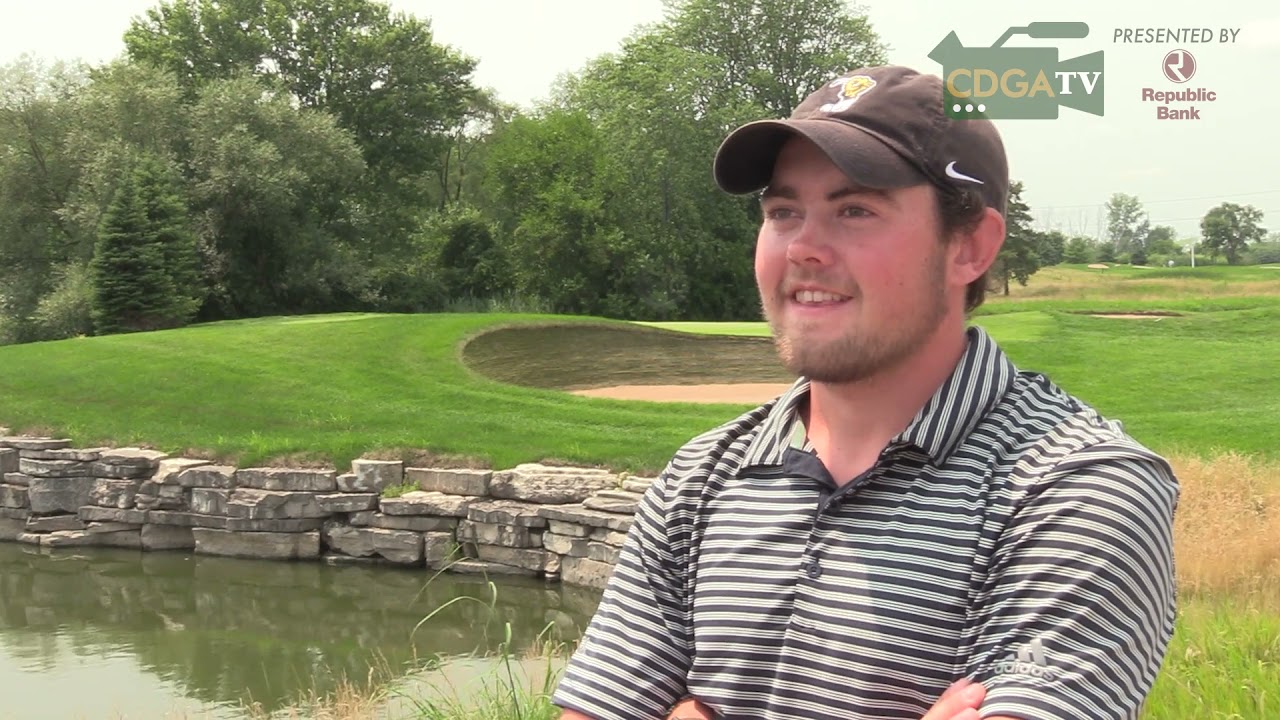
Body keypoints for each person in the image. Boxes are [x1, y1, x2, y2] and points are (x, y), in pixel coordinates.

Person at [551, 65, 1180, 720]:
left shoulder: (1077, 492)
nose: (803, 248)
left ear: (970, 245)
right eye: (783, 212)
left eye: (855, 210)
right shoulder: (701, 478)